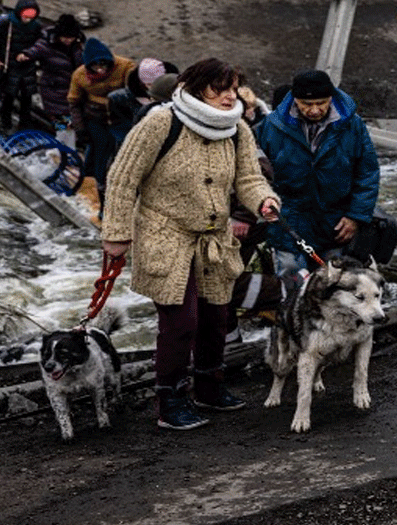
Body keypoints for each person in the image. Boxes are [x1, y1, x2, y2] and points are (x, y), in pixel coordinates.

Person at [100, 57, 280, 430]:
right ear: (197, 88)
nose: (231, 97)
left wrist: (263, 200)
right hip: (165, 233)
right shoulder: (160, 122)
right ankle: (170, 401)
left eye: (234, 89)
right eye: (221, 89)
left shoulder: (237, 129)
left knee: (216, 317)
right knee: (181, 322)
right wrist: (116, 234)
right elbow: (122, 178)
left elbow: (249, 177)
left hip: (214, 237)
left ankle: (209, 388)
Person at [256, 68, 380, 277]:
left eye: (321, 103)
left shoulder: (353, 126)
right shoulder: (270, 127)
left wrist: (355, 216)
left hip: (336, 222)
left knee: (335, 280)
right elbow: (254, 172)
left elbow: (367, 173)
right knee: (289, 274)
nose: (314, 110)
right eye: (307, 104)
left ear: (331, 97)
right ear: (295, 100)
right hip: (288, 220)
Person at [67, 37, 137, 187]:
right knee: (100, 150)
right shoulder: (79, 76)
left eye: (103, 65)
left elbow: (134, 89)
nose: (100, 70)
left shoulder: (125, 67)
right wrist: (80, 128)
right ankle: (97, 182)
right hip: (96, 118)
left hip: (120, 117)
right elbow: (74, 103)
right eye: (96, 67)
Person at [0, 0, 44, 131]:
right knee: (8, 97)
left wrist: (30, 54)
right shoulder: (7, 23)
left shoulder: (37, 26)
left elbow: (41, 44)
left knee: (27, 98)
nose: (27, 20)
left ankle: (24, 125)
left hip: (28, 66)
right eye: (25, 17)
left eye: (31, 17)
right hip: (9, 66)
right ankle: (6, 124)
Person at [20, 14, 84, 133]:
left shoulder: (78, 45)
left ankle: (66, 140)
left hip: (72, 89)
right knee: (61, 122)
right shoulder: (47, 43)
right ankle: (63, 142)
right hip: (54, 89)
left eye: (71, 38)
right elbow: (36, 49)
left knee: (70, 122)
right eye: (65, 37)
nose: (68, 40)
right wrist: (26, 55)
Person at [107, 58, 177, 146]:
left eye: (156, 84)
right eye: (149, 84)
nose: (152, 88)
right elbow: (120, 128)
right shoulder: (120, 99)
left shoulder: (176, 96)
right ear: (142, 83)